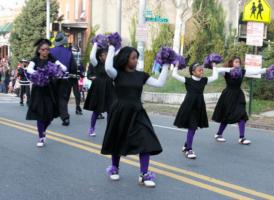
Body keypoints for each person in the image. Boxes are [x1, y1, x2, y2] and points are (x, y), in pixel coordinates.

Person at [101, 44, 169, 188]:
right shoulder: (116, 73)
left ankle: (144, 175)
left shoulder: (141, 75)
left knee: (146, 139)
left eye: (137, 58)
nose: (136, 60)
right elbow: (107, 68)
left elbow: (159, 83)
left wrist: (166, 65)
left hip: (137, 111)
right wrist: (112, 47)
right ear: (126, 59)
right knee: (117, 139)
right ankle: (114, 168)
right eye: (133, 58)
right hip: (119, 111)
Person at [172, 62, 228, 159]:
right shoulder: (188, 80)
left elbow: (215, 77)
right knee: (192, 127)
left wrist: (214, 66)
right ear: (193, 72)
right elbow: (174, 75)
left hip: (199, 106)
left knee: (193, 128)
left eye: (202, 69)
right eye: (199, 70)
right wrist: (176, 65)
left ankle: (186, 145)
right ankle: (189, 150)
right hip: (188, 106)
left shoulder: (204, 80)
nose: (202, 71)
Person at [212, 56, 273, 145]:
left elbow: (255, 72)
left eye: (239, 62)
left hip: (238, 96)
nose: (238, 64)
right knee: (226, 116)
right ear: (232, 63)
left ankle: (242, 138)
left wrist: (265, 70)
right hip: (228, 96)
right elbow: (218, 70)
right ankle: (218, 134)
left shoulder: (242, 71)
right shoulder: (226, 72)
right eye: (236, 62)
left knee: (242, 115)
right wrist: (223, 68)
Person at [26, 39, 67, 147]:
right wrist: (39, 73)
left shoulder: (52, 59)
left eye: (47, 50)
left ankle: (43, 130)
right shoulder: (35, 60)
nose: (46, 52)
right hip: (38, 90)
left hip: (49, 90)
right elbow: (29, 69)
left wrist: (58, 70)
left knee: (49, 115)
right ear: (39, 50)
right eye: (43, 50)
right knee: (40, 115)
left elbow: (64, 67)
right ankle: (41, 137)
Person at [83, 42, 114, 136]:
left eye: (107, 54)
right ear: (100, 57)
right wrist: (95, 43)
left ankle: (109, 130)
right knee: (96, 110)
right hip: (98, 88)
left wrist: (112, 46)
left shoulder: (110, 64)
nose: (106, 56)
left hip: (109, 88)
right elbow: (92, 57)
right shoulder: (96, 64)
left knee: (110, 110)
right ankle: (91, 128)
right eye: (105, 55)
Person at [50, 32, 78, 126]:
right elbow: (73, 67)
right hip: (64, 79)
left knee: (50, 97)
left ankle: (47, 117)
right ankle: (65, 118)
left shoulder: (50, 51)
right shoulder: (69, 52)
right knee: (62, 99)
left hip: (52, 78)